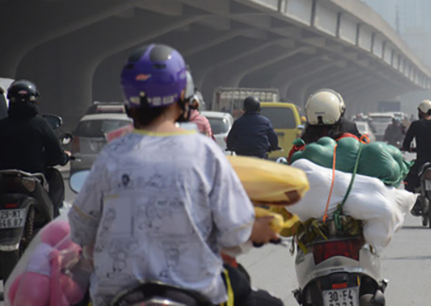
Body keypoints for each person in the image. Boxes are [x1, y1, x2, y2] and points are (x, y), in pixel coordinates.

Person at [68, 44, 281, 306]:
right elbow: (235, 233)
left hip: (114, 297)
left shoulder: (111, 155)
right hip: (197, 295)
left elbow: (79, 229)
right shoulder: (205, 153)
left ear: (129, 100)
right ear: (183, 94)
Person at [0, 80, 70, 213]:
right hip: (33, 179)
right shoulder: (41, 124)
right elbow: (56, 155)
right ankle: (53, 217)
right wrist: (64, 157)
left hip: (3, 180)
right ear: (34, 100)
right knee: (54, 176)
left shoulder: (2, 126)